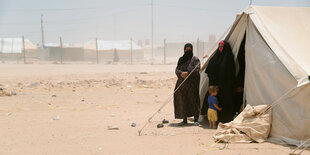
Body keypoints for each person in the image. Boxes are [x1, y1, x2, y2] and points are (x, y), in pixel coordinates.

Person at [202, 40, 235, 123]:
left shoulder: (228, 58)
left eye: (222, 47)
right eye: (219, 47)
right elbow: (209, 69)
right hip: (214, 86)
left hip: (225, 86)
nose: (220, 48)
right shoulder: (215, 57)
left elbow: (231, 72)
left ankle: (224, 119)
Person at [174, 43, 201, 126]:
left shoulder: (195, 59)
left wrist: (188, 74)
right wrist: (181, 73)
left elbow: (197, 69)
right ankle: (184, 119)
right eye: (186, 49)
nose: (187, 51)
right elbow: (177, 69)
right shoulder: (181, 59)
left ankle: (196, 119)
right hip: (182, 85)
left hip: (192, 85)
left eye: (189, 50)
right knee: (183, 101)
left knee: (194, 101)